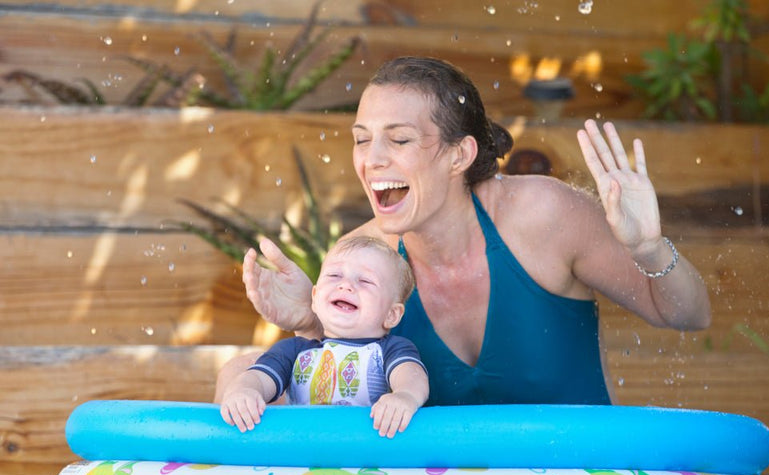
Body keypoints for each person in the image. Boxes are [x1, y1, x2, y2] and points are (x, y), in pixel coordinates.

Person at [216, 56, 711, 407]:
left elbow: (687, 314)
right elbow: (328, 398)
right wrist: (311, 326)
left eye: (400, 139)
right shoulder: (362, 258)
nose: (372, 160)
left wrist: (649, 248)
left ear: (461, 154)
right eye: (362, 140)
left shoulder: (543, 215)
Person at [219, 235, 429, 438]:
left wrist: (405, 396)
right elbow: (258, 377)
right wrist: (244, 391)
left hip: (363, 453)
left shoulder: (391, 349)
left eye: (365, 281)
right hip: (303, 452)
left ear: (392, 315)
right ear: (315, 297)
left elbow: (412, 376)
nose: (345, 285)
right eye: (334, 276)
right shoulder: (294, 351)